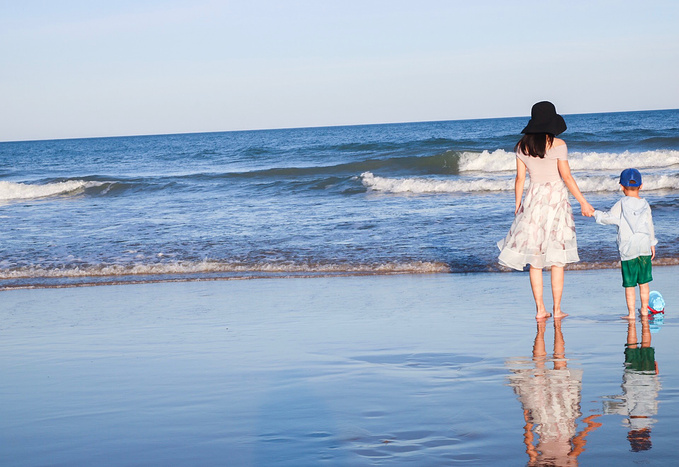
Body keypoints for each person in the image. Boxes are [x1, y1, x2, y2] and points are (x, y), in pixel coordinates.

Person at [498, 101, 594, 319]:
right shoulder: (559, 144)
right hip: (556, 200)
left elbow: (520, 179)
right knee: (557, 258)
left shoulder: (522, 146)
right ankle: (557, 309)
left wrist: (517, 205)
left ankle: (541, 310)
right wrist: (583, 202)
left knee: (535, 258)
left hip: (533, 200)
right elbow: (566, 177)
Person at [507, 319, 601, 464]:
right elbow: (528, 443)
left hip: (562, 420)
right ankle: (548, 329)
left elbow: (578, 444)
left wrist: (589, 425)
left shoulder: (567, 464)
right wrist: (526, 413)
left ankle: (552, 329)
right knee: (542, 367)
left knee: (559, 366)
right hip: (545, 419)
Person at [593, 168, 657, 319]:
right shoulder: (645, 204)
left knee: (629, 284)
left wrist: (595, 213)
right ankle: (643, 310)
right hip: (644, 246)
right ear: (641, 186)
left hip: (628, 248)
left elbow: (608, 218)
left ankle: (631, 314)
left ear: (621, 186)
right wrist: (652, 243)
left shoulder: (621, 203)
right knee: (644, 282)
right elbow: (650, 224)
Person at [602, 315, 660, 452]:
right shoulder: (626, 411)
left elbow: (655, 390)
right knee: (632, 346)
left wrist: (656, 373)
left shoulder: (652, 411)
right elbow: (606, 406)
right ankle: (633, 323)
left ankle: (643, 321)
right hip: (632, 373)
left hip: (648, 374)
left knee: (646, 345)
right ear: (630, 433)